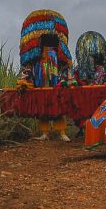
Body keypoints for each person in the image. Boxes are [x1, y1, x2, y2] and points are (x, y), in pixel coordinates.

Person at [17, 9, 74, 141]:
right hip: (40, 83)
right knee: (41, 104)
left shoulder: (58, 55)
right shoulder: (36, 57)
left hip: (56, 83)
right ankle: (45, 133)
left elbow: (65, 68)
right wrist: (24, 81)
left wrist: (67, 79)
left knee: (58, 104)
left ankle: (62, 132)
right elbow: (27, 69)